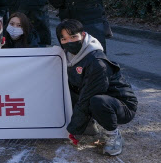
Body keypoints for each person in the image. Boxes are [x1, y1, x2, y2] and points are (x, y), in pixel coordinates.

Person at [56, 19, 137, 156]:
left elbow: (89, 95)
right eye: (64, 39)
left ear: (83, 35)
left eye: (73, 37)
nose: (69, 42)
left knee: (96, 101)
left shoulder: (97, 61)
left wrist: (74, 128)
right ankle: (89, 125)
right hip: (96, 97)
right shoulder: (67, 57)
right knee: (66, 89)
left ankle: (113, 135)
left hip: (121, 105)